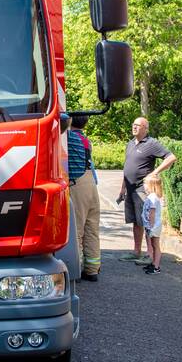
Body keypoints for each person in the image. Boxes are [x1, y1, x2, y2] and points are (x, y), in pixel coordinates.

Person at [117, 117, 176, 264]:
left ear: (145, 128)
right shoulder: (130, 143)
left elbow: (171, 157)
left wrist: (154, 172)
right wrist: (123, 188)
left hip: (143, 189)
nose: (134, 127)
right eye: (133, 124)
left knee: (147, 221)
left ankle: (150, 254)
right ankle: (137, 251)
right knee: (136, 222)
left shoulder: (151, 143)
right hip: (130, 189)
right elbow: (127, 167)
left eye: (138, 125)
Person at [67, 115, 101, 281]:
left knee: (76, 230)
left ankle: (77, 268)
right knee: (91, 229)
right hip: (91, 184)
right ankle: (92, 269)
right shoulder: (86, 139)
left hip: (77, 184)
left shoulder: (69, 137)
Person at [141, 174, 164, 274]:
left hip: (153, 226)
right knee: (153, 245)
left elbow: (152, 213)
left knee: (155, 245)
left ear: (152, 185)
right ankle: (154, 263)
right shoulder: (150, 196)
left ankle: (156, 267)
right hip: (150, 226)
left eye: (146, 184)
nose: (144, 186)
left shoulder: (153, 198)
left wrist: (150, 226)